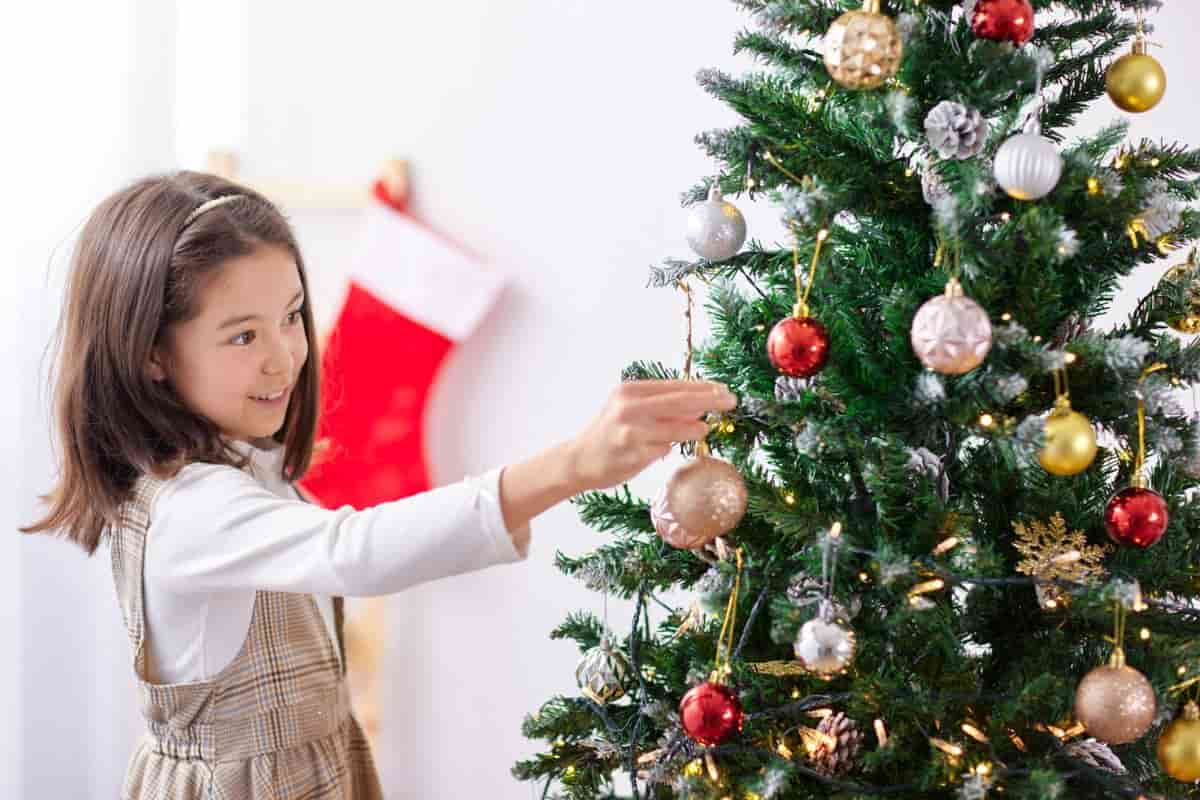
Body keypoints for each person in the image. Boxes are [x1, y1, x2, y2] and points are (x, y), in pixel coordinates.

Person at [20, 171, 739, 799]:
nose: (287, 358)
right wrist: (574, 464)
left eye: (293, 316)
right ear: (151, 355)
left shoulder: (242, 467)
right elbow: (353, 551)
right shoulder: (189, 510)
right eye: (243, 336)